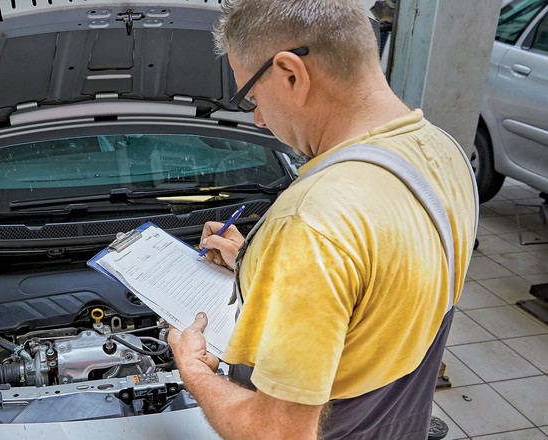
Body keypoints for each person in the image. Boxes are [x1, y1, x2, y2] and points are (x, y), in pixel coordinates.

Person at [167, 0, 477, 439]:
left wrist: (194, 369)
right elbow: (380, 289)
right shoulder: (443, 152)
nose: (255, 117)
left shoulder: (311, 222)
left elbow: (278, 434)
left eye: (251, 97)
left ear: (292, 74)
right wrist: (254, 265)